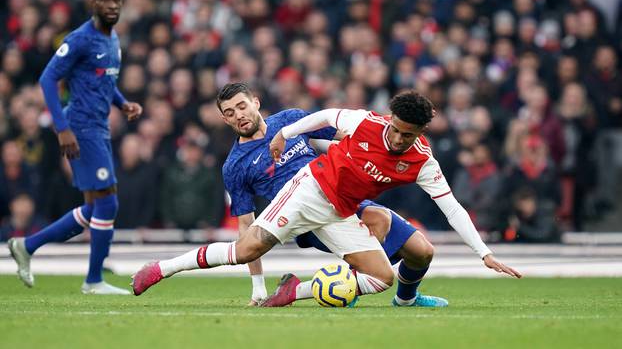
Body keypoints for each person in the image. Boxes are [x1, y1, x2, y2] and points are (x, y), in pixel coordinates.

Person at [132, 88, 520, 303]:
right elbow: (328, 115)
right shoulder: (365, 123)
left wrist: (484, 253)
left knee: (383, 277)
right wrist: (286, 136)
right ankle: (162, 268)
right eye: (229, 111)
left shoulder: (423, 161)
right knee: (245, 250)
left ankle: (298, 291)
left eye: (409, 134)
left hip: (341, 210)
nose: (400, 138)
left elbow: (452, 208)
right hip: (308, 192)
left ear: (255, 102)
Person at [216, 83, 446, 307]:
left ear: (255, 102)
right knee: (380, 222)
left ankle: (405, 299)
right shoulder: (235, 165)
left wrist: (398, 134)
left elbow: (348, 134)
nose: (239, 115)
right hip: (308, 213)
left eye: (242, 106)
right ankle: (345, 285)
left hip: (342, 192)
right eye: (230, 112)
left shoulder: (288, 120)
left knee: (422, 252)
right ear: (225, 119)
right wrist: (258, 287)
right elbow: (246, 226)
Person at [7, 0, 143, 295]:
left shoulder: (112, 40)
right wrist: (62, 128)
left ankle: (27, 246)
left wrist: (123, 104)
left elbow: (103, 81)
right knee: (108, 202)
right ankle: (94, 280)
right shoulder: (80, 39)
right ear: (92, 3)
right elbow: (47, 79)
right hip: (81, 129)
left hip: (99, 128)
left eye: (117, 1)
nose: (112, 6)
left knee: (95, 207)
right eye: (105, 0)